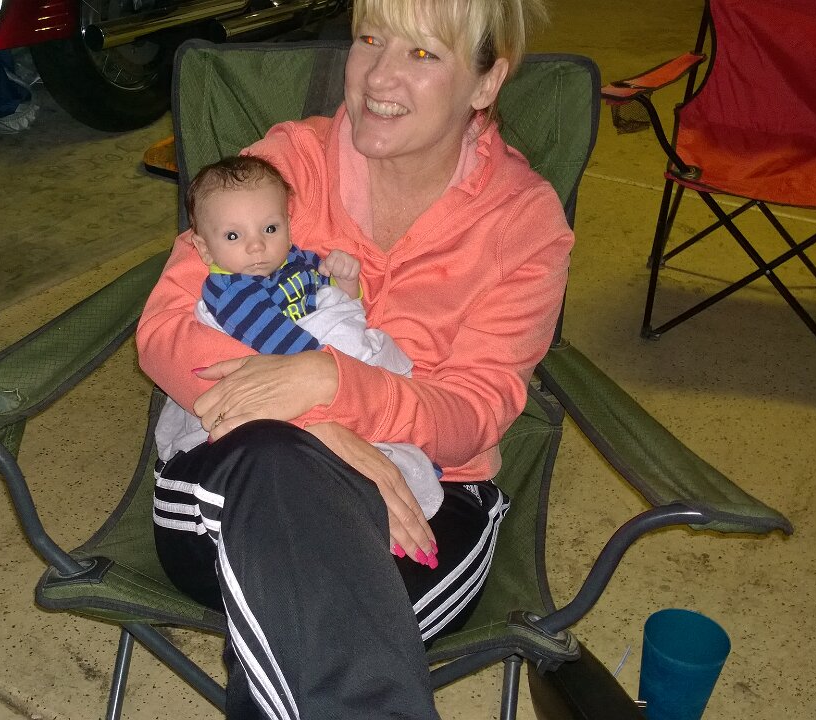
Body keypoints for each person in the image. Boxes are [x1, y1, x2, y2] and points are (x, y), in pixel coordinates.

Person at [135, 0, 569, 715]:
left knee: (309, 618)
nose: (377, 77)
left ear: (488, 82)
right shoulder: (287, 165)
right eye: (369, 39)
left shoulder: (522, 222)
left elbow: (473, 413)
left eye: (422, 54)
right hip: (236, 467)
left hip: (427, 498)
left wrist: (332, 382)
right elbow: (165, 331)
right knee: (282, 476)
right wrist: (319, 422)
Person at [152, 155, 448, 541]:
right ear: (204, 249)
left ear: (288, 225)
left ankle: (398, 462)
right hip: (282, 390)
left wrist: (346, 284)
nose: (257, 246)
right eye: (233, 236)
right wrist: (347, 374)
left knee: (378, 395)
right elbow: (290, 354)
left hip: (318, 379)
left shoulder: (293, 261)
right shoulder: (232, 294)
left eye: (270, 228)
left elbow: (334, 303)